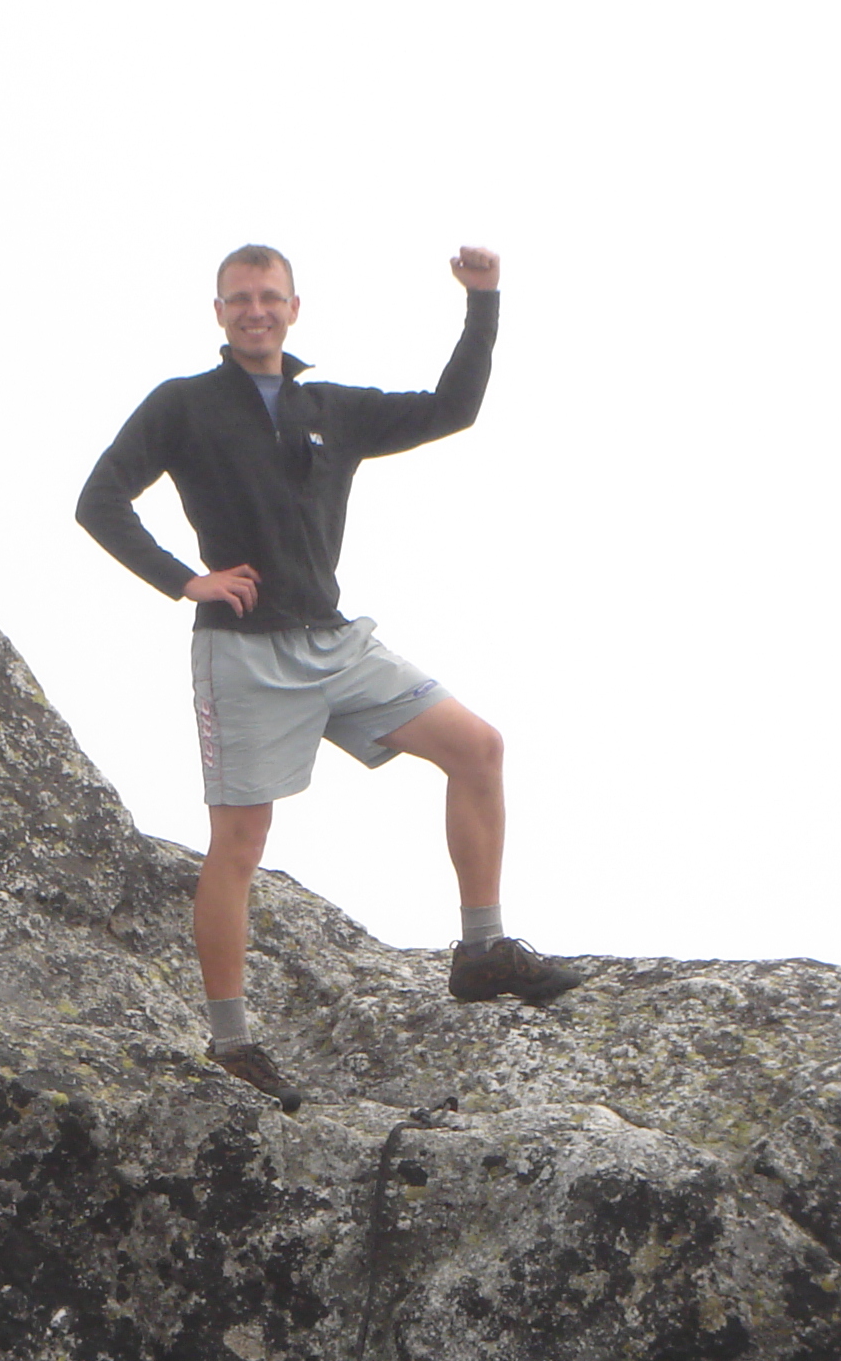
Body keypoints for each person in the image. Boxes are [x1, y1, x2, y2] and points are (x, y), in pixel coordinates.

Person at [77, 242, 585, 1112]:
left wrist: (483, 300)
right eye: (240, 298)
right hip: (242, 652)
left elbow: (453, 408)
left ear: (294, 308)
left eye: (269, 296)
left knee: (478, 748)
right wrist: (185, 580)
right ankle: (231, 1042)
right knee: (240, 843)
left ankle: (481, 951)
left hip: (336, 642)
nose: (256, 310)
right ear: (219, 313)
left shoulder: (329, 408)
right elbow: (99, 500)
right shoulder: (184, 404)